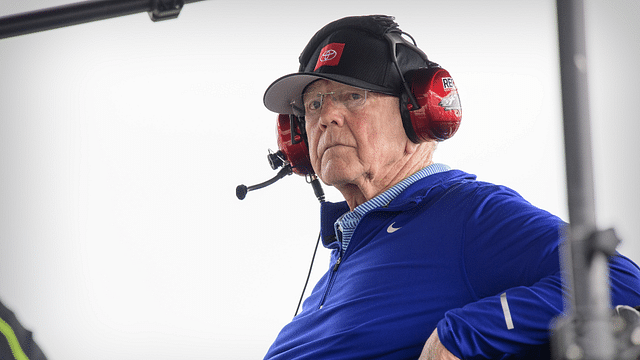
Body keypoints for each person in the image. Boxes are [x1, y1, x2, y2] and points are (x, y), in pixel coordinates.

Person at [259, 15, 640, 359]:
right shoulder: (345, 256)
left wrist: (463, 332)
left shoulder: (467, 212)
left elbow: (618, 282)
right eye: (313, 105)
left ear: (419, 116)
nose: (327, 116)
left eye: (353, 96)